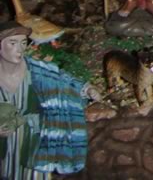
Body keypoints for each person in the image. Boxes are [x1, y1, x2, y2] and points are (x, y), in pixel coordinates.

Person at [0, 21, 96, 179]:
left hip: (35, 142)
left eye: (23, 43)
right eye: (13, 43)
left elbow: (61, 78)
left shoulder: (39, 70)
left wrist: (87, 89)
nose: (20, 48)